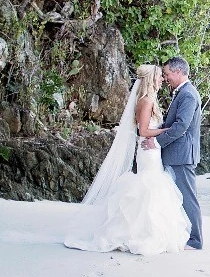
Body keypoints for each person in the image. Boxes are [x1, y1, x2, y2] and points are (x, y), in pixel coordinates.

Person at [64, 64, 191, 255]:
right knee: (148, 187)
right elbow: (144, 131)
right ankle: (139, 233)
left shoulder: (150, 99)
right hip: (148, 151)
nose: (162, 79)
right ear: (150, 79)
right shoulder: (146, 100)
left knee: (152, 189)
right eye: (159, 76)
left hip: (152, 150)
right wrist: (168, 131)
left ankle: (148, 230)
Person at [142, 56, 203, 250]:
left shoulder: (188, 95)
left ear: (178, 72)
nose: (166, 77)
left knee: (187, 197)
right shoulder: (181, 93)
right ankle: (182, 235)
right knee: (176, 196)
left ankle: (195, 240)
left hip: (182, 155)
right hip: (177, 153)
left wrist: (157, 142)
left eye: (167, 73)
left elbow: (181, 126)